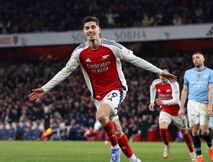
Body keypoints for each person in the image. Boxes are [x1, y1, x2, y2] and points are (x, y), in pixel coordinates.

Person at [28, 16, 176, 162]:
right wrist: (45, 88)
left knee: (100, 116)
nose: (90, 30)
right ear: (83, 31)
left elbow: (135, 59)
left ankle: (114, 150)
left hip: (117, 89)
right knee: (118, 132)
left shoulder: (112, 47)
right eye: (87, 28)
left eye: (93, 27)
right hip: (98, 96)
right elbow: (65, 72)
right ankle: (134, 160)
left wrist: (158, 71)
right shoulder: (79, 53)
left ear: (99, 29)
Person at [149, 67, 195, 161]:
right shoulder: (155, 82)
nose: (163, 77)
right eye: (161, 75)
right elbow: (152, 89)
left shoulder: (174, 84)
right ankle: (167, 145)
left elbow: (175, 100)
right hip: (165, 110)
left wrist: (162, 102)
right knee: (162, 129)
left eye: (165, 75)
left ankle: (192, 152)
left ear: (168, 75)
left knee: (185, 133)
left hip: (177, 111)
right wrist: (152, 102)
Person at [179, 52, 213, 162]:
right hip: (192, 104)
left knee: (204, 131)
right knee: (194, 131)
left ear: (203, 59)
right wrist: (181, 107)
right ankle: (199, 156)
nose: (195, 59)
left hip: (204, 103)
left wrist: (210, 105)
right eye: (193, 58)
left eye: (198, 57)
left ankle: (210, 147)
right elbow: (185, 90)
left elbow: (211, 89)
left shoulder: (210, 73)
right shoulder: (188, 73)